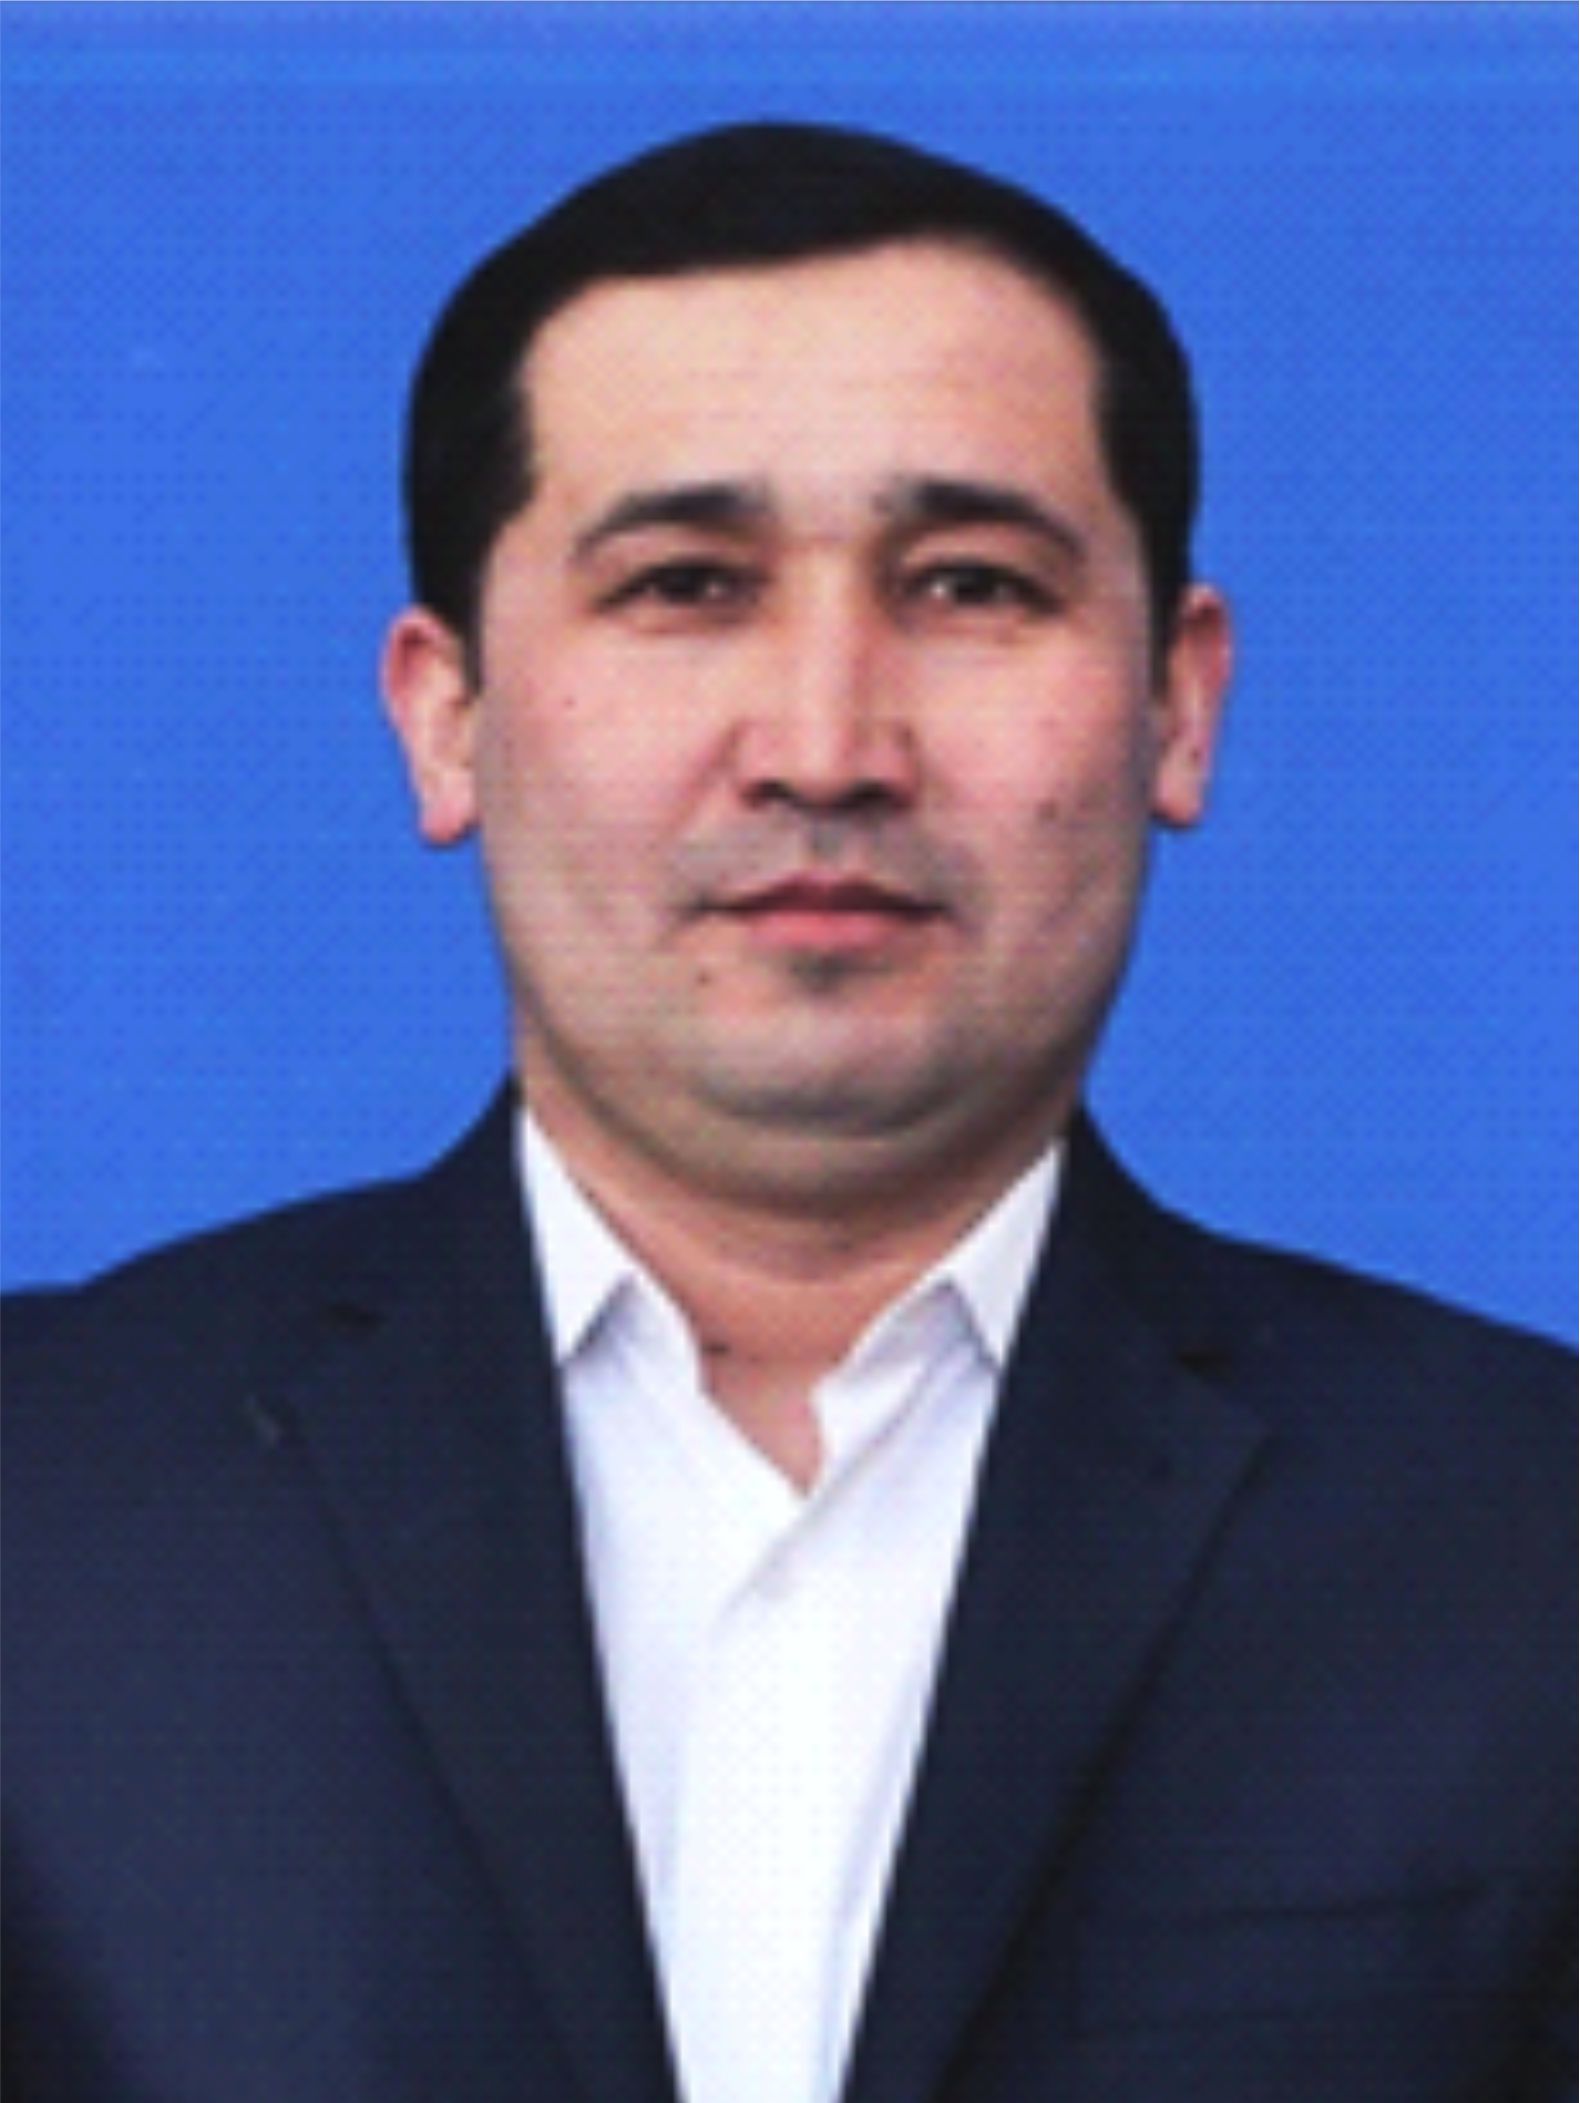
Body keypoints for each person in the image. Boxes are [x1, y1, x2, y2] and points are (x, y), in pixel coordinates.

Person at [4, 121, 1570, 2103]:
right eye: (684, 584)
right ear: (445, 714)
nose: (827, 747)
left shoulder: (1532, 1538)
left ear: (1177, 702)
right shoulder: (45, 1503)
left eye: (971, 584)